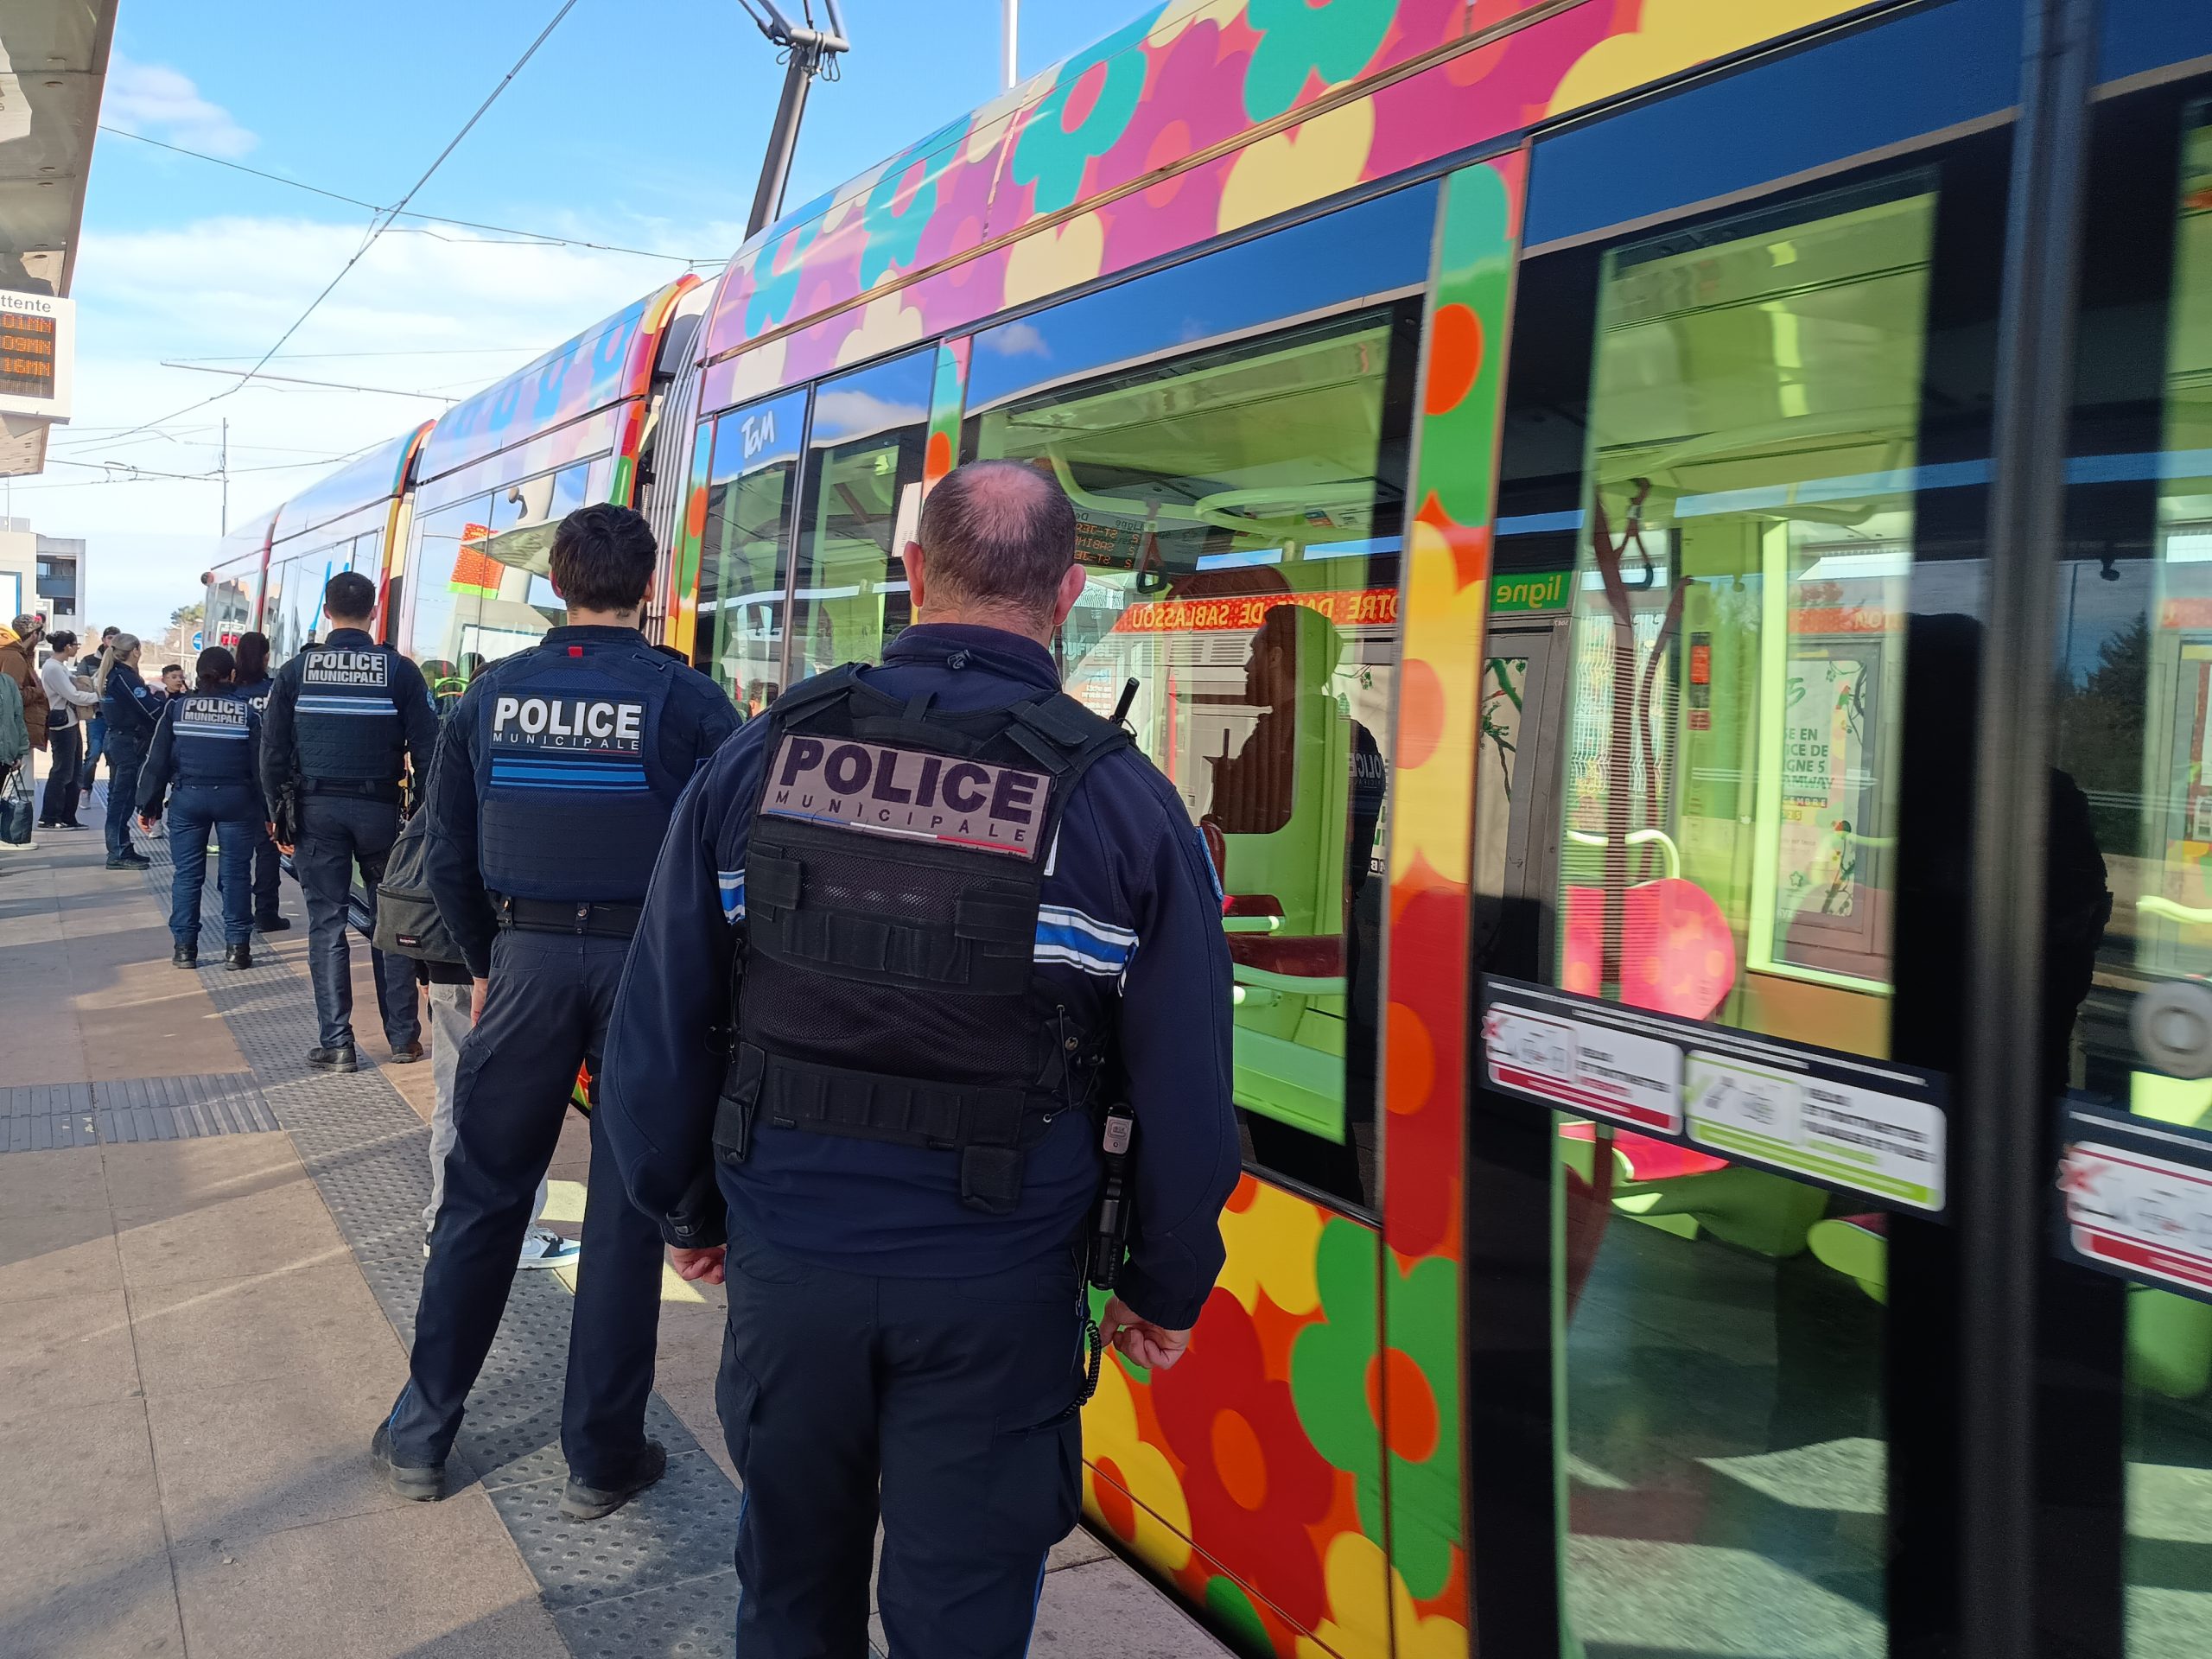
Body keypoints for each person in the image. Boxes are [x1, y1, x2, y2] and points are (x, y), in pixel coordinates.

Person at [595, 461, 1242, 1655]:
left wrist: (683, 1209)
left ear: (912, 575)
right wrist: (1164, 1283)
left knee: (789, 1592)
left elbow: (660, 1025)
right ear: (1070, 592)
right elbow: (1189, 1086)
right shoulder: (1124, 807)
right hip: (1000, 1291)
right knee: (961, 1619)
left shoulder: (758, 761)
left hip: (789, 1264)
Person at [372, 503, 736, 1519]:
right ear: (648, 587)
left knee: (483, 1198)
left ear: (557, 583)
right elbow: (732, 862)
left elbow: (443, 850)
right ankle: (600, 1458)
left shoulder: (491, 696)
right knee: (626, 1213)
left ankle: (420, 1434)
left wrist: (492, 960)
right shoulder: (692, 701)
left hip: (522, 960)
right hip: (646, 974)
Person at [261, 572, 436, 1071]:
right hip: (381, 812)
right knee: (392, 924)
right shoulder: (399, 672)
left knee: (327, 924)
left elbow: (272, 749)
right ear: (375, 609)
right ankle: (403, 1038)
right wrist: (424, 816)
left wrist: (277, 814)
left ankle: (337, 1044)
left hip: (316, 813)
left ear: (326, 609)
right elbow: (428, 749)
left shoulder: (297, 671)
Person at [137, 647, 262, 970]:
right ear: (231, 676)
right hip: (236, 802)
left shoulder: (177, 709)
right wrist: (271, 813)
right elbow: (261, 769)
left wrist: (148, 805)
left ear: (197, 674)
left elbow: (157, 761)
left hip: (188, 799)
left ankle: (185, 949)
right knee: (236, 875)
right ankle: (237, 949)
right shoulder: (247, 713)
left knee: (187, 876)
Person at [229, 632, 289, 931]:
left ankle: (233, 910)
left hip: (235, 781)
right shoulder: (275, 690)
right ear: (266, 658)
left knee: (235, 851)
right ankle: (266, 912)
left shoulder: (230, 693)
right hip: (268, 781)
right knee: (268, 850)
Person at [93, 633, 162, 869]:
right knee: (121, 800)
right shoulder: (124, 678)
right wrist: (166, 703)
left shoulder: (113, 675)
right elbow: (150, 710)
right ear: (135, 650)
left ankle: (122, 847)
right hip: (126, 742)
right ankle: (118, 852)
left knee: (119, 798)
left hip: (117, 739)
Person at [35, 629, 97, 829]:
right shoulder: (53, 668)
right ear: (68, 646)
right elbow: (73, 695)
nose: (77, 648)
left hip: (70, 721)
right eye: (75, 644)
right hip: (62, 724)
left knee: (74, 770)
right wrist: (98, 698)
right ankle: (50, 816)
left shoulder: (58, 667)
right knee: (62, 770)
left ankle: (68, 816)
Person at [0, 614, 49, 765]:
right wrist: (39, 691)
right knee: (13, 783)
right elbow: (13, 697)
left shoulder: (14, 654)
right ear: (34, 634)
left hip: (12, 730)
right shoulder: (14, 657)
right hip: (13, 732)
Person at [80, 624, 118, 803]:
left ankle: (113, 794)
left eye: (116, 638)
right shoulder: (89, 661)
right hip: (95, 715)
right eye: (110, 638)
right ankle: (85, 789)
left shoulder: (122, 663)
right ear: (104, 640)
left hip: (115, 717)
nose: (112, 641)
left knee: (114, 756)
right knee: (94, 753)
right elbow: (80, 684)